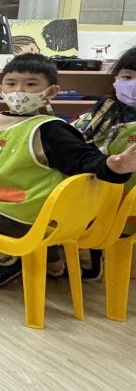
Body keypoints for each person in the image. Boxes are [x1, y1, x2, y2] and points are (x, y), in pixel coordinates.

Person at [0, 53, 136, 287]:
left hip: (17, 214)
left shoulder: (50, 129)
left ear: (51, 92)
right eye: (12, 84)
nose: (19, 91)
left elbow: (83, 159)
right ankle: (34, 258)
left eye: (31, 84)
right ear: (1, 90)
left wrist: (114, 165)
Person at [71, 45, 136, 279]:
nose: (133, 85)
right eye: (127, 77)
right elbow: (78, 131)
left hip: (122, 203)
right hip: (95, 185)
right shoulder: (107, 108)